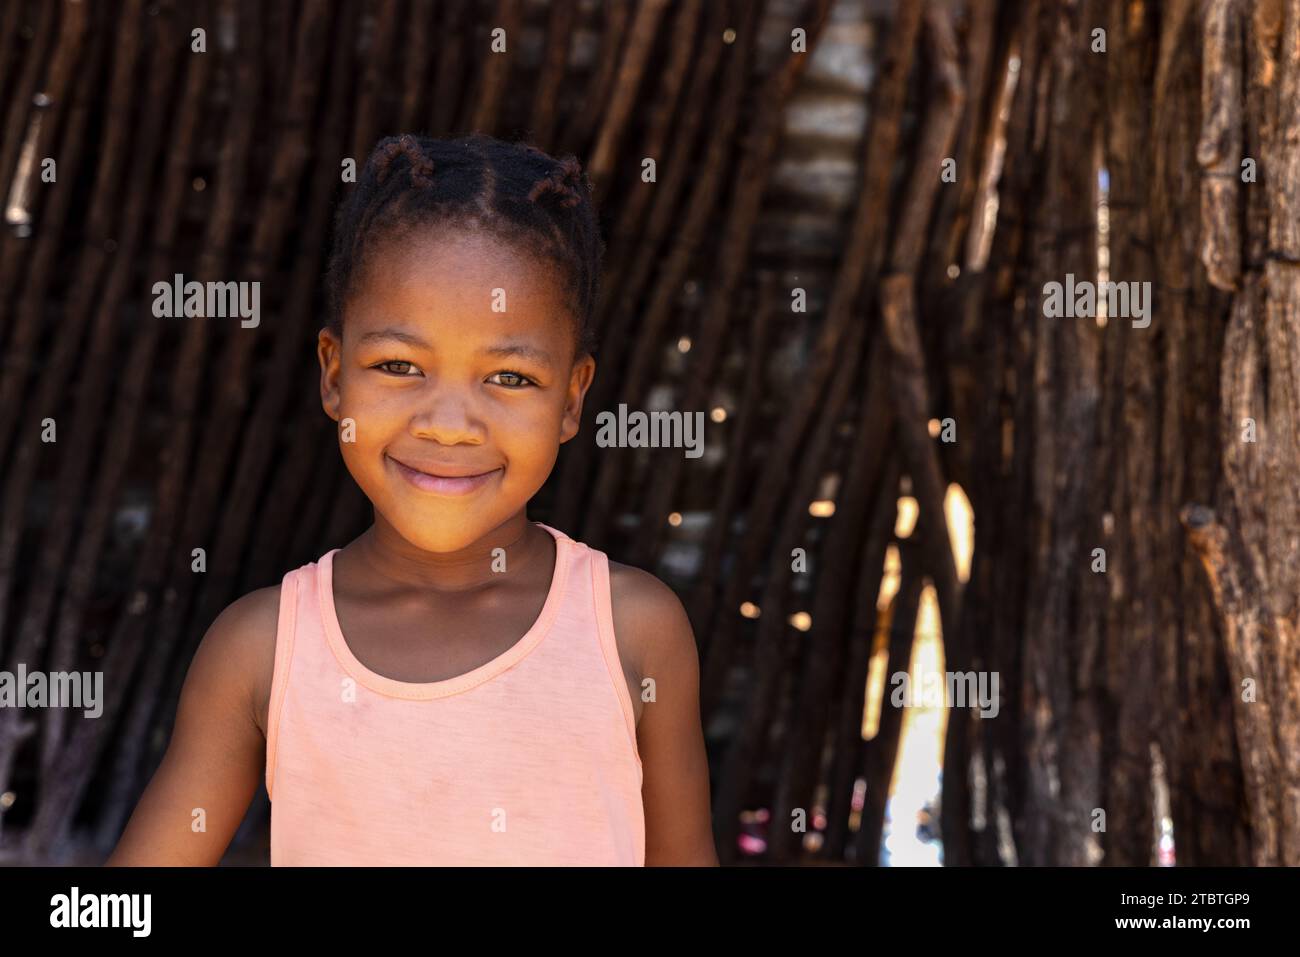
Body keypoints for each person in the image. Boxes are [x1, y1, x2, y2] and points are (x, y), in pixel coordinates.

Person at [107, 133, 718, 866]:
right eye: (399, 365)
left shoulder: (632, 633)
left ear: (572, 396)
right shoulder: (264, 650)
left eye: (511, 377)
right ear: (333, 374)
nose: (449, 425)